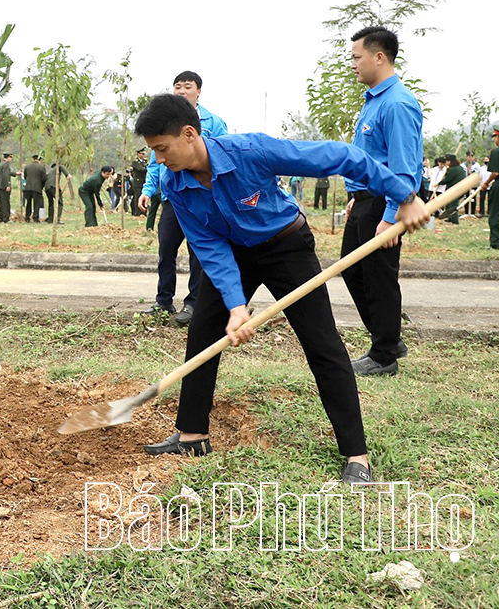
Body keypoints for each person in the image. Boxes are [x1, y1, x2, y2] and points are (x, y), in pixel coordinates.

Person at [133, 94, 429, 482]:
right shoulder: (175, 182)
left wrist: (404, 196)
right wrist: (237, 306)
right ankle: (192, 434)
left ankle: (357, 455)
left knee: (321, 343)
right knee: (204, 332)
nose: (158, 160)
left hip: (286, 248)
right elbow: (209, 246)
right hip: (234, 253)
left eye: (162, 149)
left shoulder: (251, 150)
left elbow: (342, 157)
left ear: (188, 134)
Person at [340, 26, 423, 377]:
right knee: (351, 267)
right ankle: (388, 336)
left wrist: (391, 215)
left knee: (378, 278)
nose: (353, 64)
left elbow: (404, 165)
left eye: (357, 57)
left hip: (383, 204)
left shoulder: (398, 103)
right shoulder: (374, 100)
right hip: (364, 201)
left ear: (379, 56)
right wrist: (355, 196)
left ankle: (384, 354)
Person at [139, 71, 229, 326]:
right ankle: (163, 300)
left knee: (197, 251)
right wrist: (148, 190)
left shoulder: (214, 122)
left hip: (201, 199)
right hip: (172, 198)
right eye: (177, 86)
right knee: (166, 250)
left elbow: (222, 155)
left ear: (198, 91)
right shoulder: (162, 124)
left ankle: (193, 303)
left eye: (187, 86)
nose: (181, 91)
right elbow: (155, 163)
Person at [18, 155, 42, 223]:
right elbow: (43, 177)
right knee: (36, 203)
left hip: (28, 188)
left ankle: (27, 217)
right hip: (37, 188)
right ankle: (35, 218)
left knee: (28, 203)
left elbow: (25, 176)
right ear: (39, 160)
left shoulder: (27, 166)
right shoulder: (41, 167)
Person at [0, 153, 15, 222]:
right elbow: (6, 176)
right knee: (6, 202)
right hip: (4, 186)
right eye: (10, 157)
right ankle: (6, 218)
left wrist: (15, 174)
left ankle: (1, 216)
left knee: (1, 202)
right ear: (8, 158)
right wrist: (7, 185)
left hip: (0, 186)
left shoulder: (1, 164)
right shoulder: (6, 164)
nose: (11, 159)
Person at [129, 150, 148, 216]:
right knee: (138, 197)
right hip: (138, 182)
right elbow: (141, 169)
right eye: (142, 154)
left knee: (145, 196)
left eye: (144, 154)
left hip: (144, 181)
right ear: (138, 154)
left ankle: (144, 212)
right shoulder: (135, 162)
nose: (143, 155)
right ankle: (138, 212)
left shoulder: (145, 161)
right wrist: (148, 168)